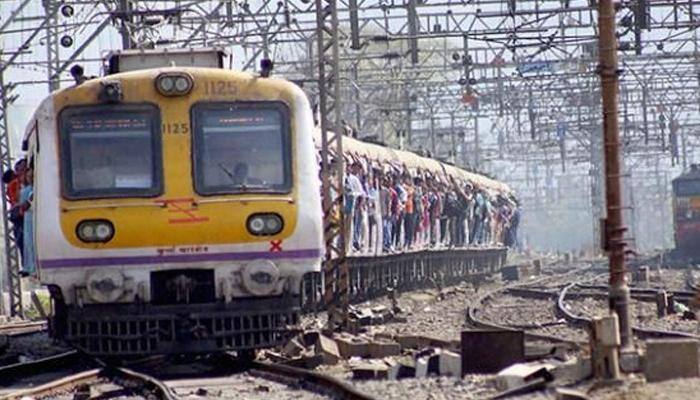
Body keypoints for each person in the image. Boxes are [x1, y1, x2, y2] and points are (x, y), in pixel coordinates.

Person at [19, 167, 35, 276]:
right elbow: (23, 206)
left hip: (34, 217)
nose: (30, 179)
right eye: (29, 176)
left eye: (32, 176)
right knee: (29, 243)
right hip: (29, 217)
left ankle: (32, 267)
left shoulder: (35, 190)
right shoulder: (26, 190)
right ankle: (30, 266)